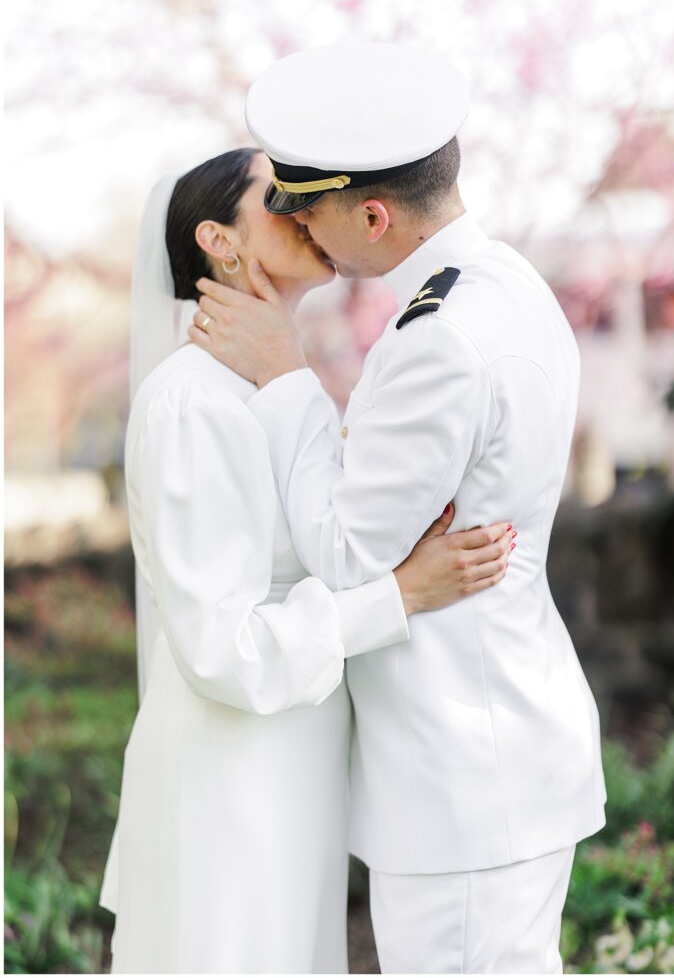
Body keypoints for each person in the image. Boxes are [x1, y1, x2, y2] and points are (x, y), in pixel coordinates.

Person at [188, 43, 608, 974]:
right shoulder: (504, 286)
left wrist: (289, 379)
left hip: (460, 767)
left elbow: (344, 552)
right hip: (498, 746)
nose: (308, 236)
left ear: (372, 214)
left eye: (313, 214)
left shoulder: (437, 340)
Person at [99, 148, 514, 974]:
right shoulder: (192, 403)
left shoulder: (271, 384)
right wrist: (398, 594)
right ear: (217, 239)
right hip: (231, 783)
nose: (303, 207)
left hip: (294, 770)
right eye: (276, 194)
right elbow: (223, 648)